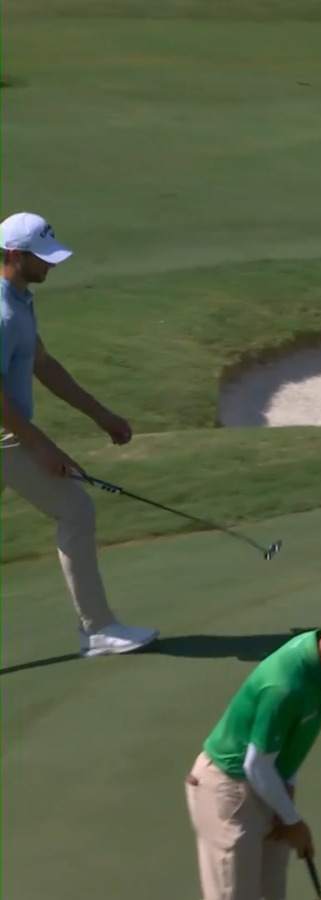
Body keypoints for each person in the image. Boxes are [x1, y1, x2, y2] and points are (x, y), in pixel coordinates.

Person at [0, 211, 158, 656]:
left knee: (74, 510)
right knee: (75, 510)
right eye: (42, 258)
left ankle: (97, 627)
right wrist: (41, 445)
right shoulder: (2, 311)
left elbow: (43, 364)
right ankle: (98, 628)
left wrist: (101, 415)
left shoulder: (18, 299)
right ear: (14, 255)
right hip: (5, 437)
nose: (51, 265)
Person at [185, 611, 321, 900]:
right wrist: (293, 821)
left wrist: (286, 803)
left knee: (272, 892)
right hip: (228, 791)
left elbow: (290, 748)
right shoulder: (285, 684)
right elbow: (256, 764)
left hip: (268, 786)